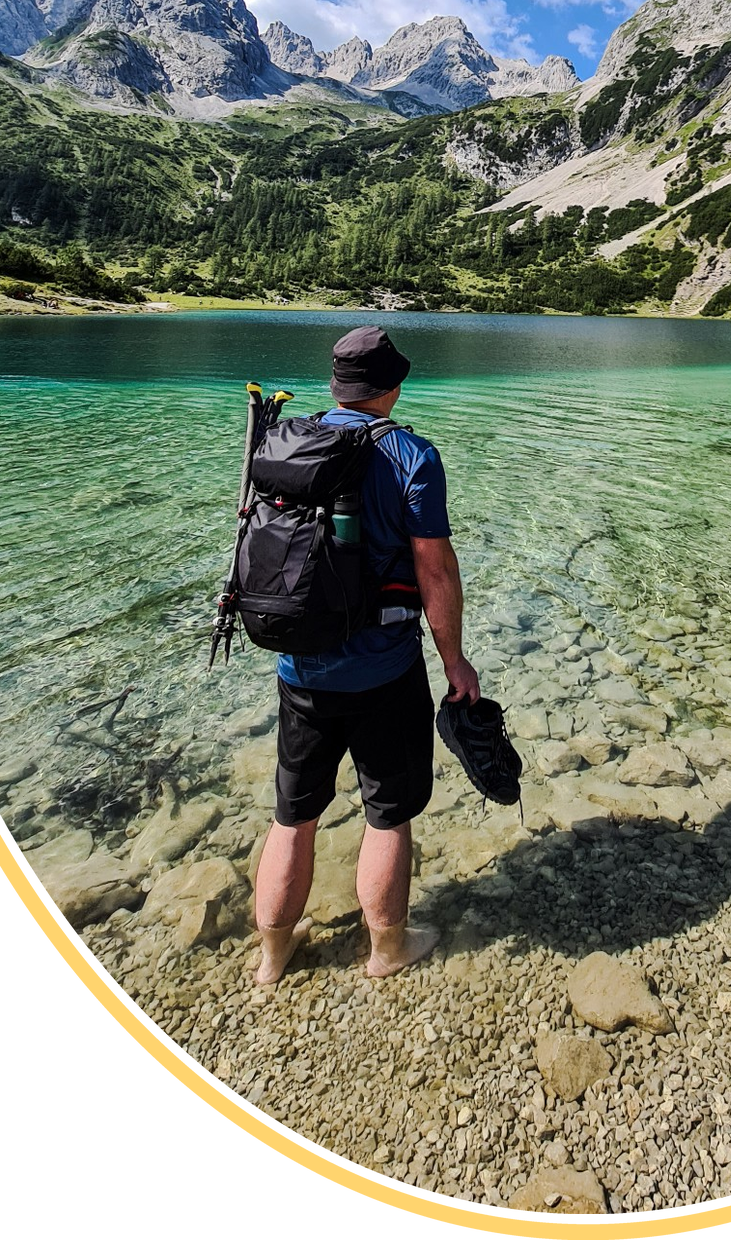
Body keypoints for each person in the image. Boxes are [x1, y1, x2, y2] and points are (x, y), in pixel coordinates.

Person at [251, 324, 480, 987]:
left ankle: (272, 957)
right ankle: (387, 950)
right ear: (393, 388)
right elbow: (434, 571)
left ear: (335, 387)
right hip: (384, 669)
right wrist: (455, 661)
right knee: (388, 815)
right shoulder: (412, 456)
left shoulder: (285, 442)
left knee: (293, 816)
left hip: (298, 665)